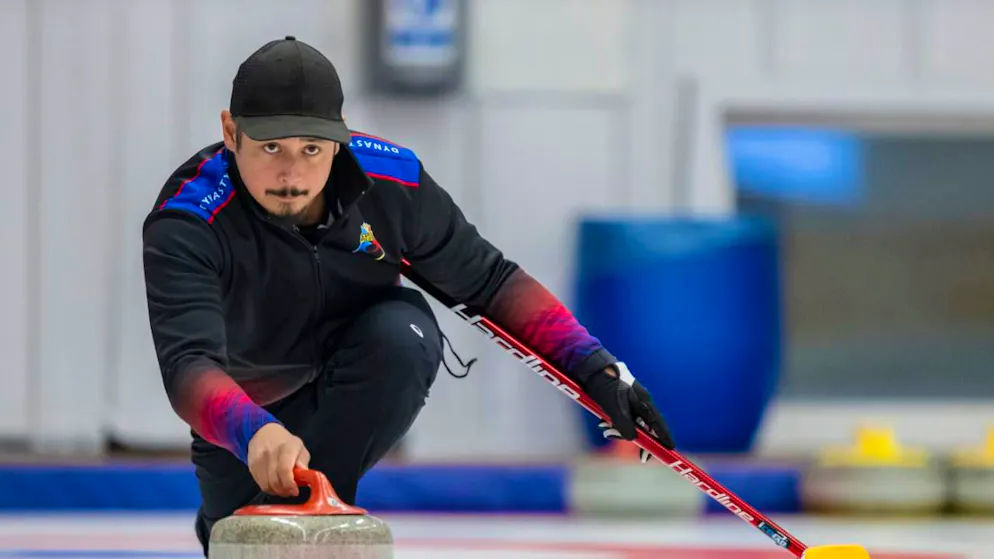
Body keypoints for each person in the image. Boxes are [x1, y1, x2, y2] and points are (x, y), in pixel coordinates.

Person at [141, 36, 675, 555]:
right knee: (230, 535)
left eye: (311, 148)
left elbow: (490, 282)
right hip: (246, 412)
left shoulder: (393, 184)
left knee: (405, 331)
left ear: (340, 138)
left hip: (359, 372)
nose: (292, 173)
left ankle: (316, 512)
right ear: (230, 133)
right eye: (271, 147)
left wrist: (596, 368)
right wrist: (252, 430)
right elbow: (189, 364)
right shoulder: (189, 219)